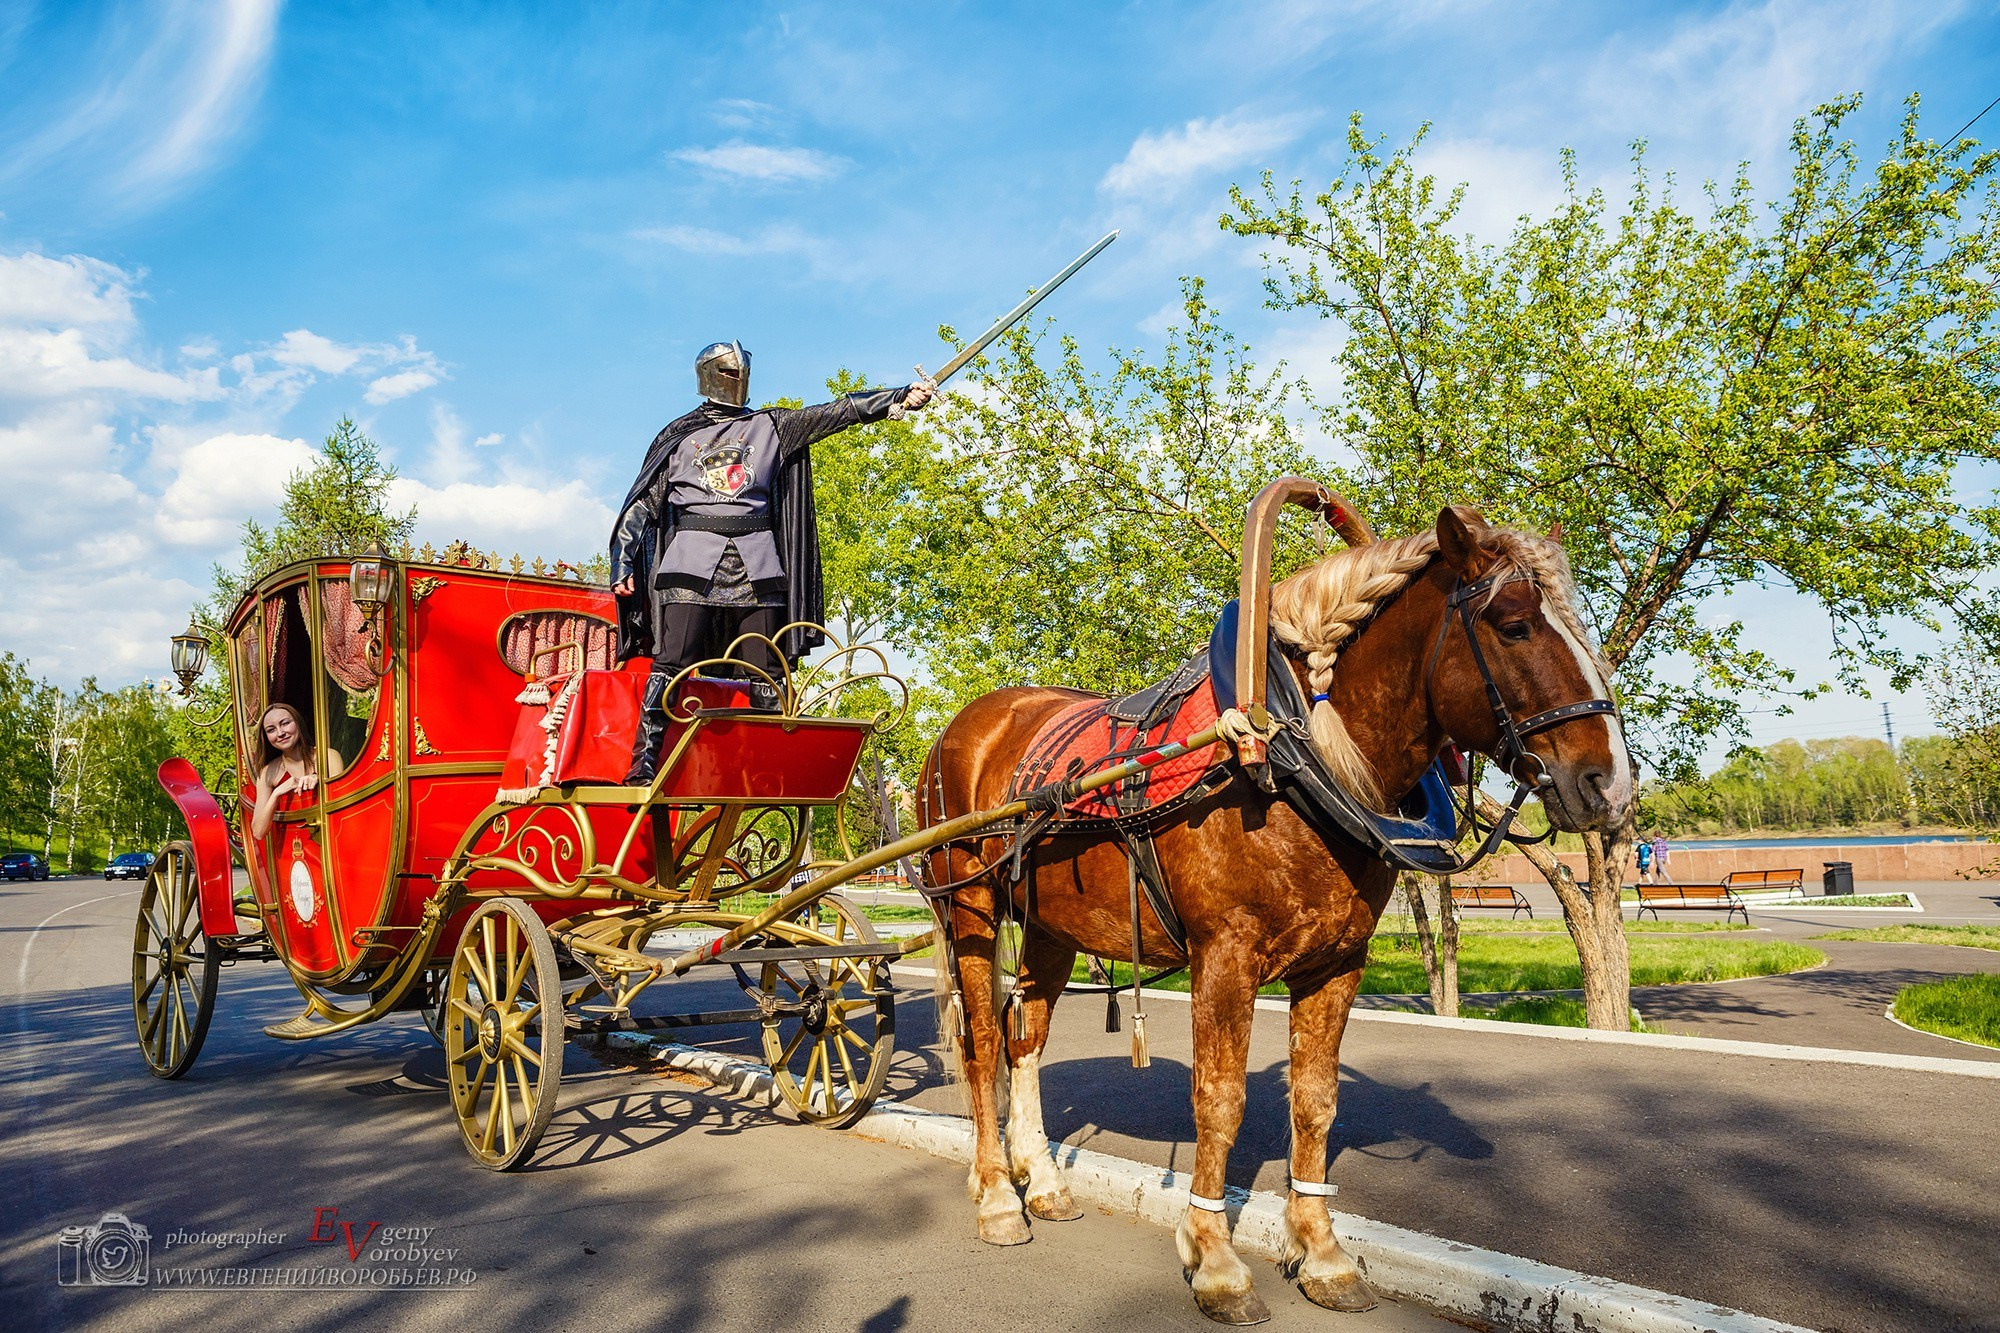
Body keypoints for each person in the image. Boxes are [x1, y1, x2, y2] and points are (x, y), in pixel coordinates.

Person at [610, 340, 933, 782]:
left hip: (758, 566)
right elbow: (642, 505)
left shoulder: (773, 426)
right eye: (728, 371)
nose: (737, 378)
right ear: (708, 376)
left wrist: (899, 396)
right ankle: (643, 765)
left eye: (741, 371)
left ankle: (769, 770)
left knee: (767, 672)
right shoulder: (679, 435)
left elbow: (838, 412)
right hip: (690, 564)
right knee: (671, 664)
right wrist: (623, 561)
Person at [249, 703, 345, 839]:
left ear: (298, 723)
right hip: (291, 848)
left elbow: (343, 810)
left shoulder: (329, 757)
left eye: (285, 723)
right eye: (271, 730)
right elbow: (258, 832)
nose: (280, 733)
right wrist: (276, 793)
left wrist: (321, 781)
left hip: (330, 843)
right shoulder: (267, 772)